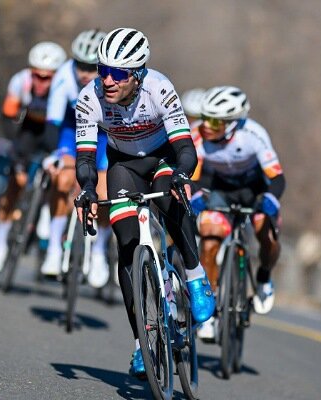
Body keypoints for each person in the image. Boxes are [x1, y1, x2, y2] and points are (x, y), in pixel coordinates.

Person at [73, 27, 216, 378]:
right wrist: (89, 189)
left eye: (118, 73)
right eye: (102, 69)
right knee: (125, 242)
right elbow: (86, 158)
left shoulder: (159, 88)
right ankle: (141, 342)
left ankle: (196, 276)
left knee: (170, 202)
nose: (106, 79)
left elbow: (185, 148)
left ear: (137, 77)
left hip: (163, 158)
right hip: (124, 165)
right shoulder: (89, 98)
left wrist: (183, 174)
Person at [190, 86, 285, 341]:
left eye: (214, 121)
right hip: (218, 189)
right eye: (204, 116)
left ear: (233, 124)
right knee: (208, 242)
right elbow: (192, 176)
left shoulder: (253, 134)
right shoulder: (197, 134)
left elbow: (277, 177)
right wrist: (196, 196)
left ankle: (264, 277)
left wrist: (271, 199)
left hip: (254, 190)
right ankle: (208, 312)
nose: (206, 125)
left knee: (267, 234)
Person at [0, 41, 67, 275]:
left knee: (59, 174)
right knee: (14, 183)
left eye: (46, 78)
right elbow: (8, 118)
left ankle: (46, 212)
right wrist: (16, 153)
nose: (40, 82)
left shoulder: (65, 87)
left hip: (56, 131)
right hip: (29, 130)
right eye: (36, 76)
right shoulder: (20, 82)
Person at [42, 29, 112, 288]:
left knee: (105, 195)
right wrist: (54, 155)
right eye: (79, 65)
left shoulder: (111, 83)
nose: (83, 73)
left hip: (103, 136)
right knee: (63, 180)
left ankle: (99, 253)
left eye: (90, 67)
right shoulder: (63, 77)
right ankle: (53, 248)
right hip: (71, 131)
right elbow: (53, 123)